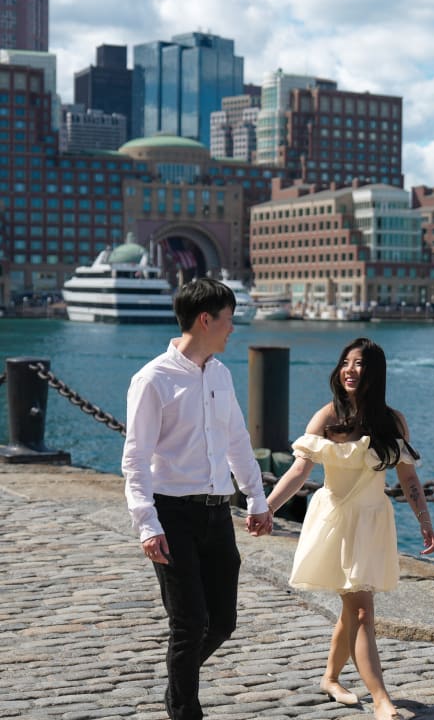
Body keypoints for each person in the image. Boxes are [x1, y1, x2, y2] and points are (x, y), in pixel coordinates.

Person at [122, 277, 272, 720]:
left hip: (216, 515)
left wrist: (256, 500)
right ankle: (186, 710)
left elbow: (238, 442)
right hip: (172, 516)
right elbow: (135, 457)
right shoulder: (152, 379)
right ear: (205, 320)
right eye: (228, 320)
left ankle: (176, 684)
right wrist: (147, 524)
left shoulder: (221, 375)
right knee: (188, 625)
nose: (233, 329)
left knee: (222, 622)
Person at [264, 337, 434, 720]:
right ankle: (381, 699)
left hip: (373, 522)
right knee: (361, 613)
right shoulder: (327, 417)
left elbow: (408, 478)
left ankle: (330, 678)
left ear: (375, 372)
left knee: (351, 610)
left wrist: (424, 521)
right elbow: (299, 472)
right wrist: (267, 508)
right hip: (336, 523)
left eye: (358, 363)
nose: (349, 370)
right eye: (345, 362)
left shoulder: (392, 422)